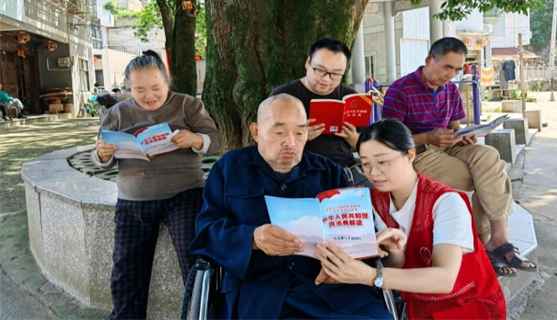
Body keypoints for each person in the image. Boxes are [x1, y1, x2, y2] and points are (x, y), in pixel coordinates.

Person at [190, 94, 392, 320]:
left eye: (299, 132)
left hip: (331, 288)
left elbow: (359, 233)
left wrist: (358, 252)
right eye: (279, 132)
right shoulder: (229, 169)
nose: (291, 142)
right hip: (260, 292)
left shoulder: (328, 172)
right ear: (256, 132)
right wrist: (252, 238)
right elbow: (206, 233)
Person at [315, 119, 506, 320]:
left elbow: (444, 279)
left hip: (468, 308)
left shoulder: (446, 202)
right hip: (422, 309)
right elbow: (397, 264)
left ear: (410, 155)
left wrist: (369, 276)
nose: (373, 173)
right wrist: (394, 250)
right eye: (365, 164)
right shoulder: (376, 201)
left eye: (382, 162)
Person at [381, 37, 536, 276]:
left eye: (457, 69)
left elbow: (454, 127)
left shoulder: (451, 90)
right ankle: (486, 245)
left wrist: (466, 135)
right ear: (429, 59)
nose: (451, 74)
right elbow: (388, 139)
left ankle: (498, 238)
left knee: (489, 157)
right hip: (416, 153)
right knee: (488, 177)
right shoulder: (399, 90)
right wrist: (427, 137)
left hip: (449, 145)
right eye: (447, 67)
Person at [91, 50, 223, 319]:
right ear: (128, 87)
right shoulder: (117, 113)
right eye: (139, 90)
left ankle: (205, 315)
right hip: (134, 199)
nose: (149, 95)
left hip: (184, 192)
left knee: (195, 255)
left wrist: (195, 139)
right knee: (126, 268)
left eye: (156, 87)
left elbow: (216, 141)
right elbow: (100, 157)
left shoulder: (187, 105)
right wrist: (103, 154)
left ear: (167, 81)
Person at [270, 38, 369, 186]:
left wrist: (354, 138)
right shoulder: (282, 97)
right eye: (320, 70)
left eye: (336, 74)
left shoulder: (351, 97)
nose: (326, 79)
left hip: (345, 168)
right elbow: (269, 142)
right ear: (308, 62)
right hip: (299, 170)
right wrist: (299, 136)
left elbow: (366, 145)